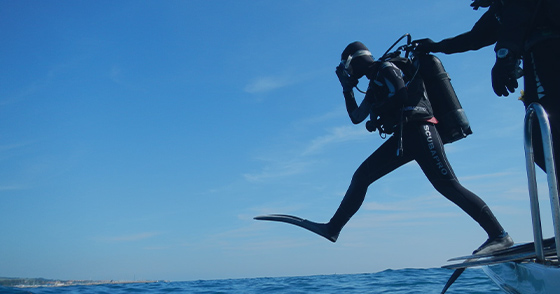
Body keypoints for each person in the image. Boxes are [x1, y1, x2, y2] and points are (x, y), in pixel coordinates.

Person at [306, 41, 512, 255]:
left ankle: (500, 235)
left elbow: (401, 93)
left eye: (346, 68)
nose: (348, 72)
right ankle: (333, 228)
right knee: (362, 176)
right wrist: (347, 89)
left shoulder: (386, 67)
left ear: (351, 61)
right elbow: (357, 117)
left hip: (421, 131)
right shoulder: (374, 82)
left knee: (448, 186)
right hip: (406, 137)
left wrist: (380, 109)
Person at [413, 0, 560, 189]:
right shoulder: (501, 9)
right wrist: (437, 46)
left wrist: (505, 55)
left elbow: (517, 17)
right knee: (542, 143)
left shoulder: (510, 6)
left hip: (548, 55)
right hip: (540, 57)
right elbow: (476, 37)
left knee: (545, 135)